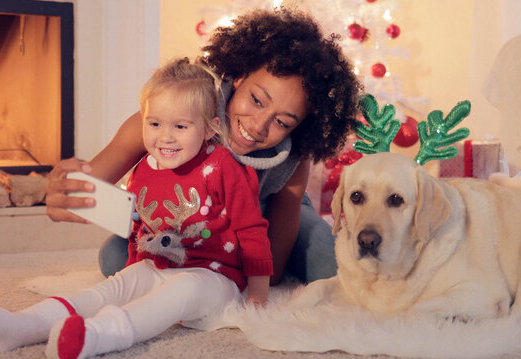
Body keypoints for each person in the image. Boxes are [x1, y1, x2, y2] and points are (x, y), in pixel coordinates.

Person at [0, 58, 273, 358]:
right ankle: (19, 327)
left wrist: (257, 295)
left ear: (208, 129)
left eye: (180, 126)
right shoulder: (143, 169)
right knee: (114, 287)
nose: (165, 136)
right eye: (154, 123)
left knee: (183, 290)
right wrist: (133, 271)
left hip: (214, 278)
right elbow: (140, 228)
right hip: (161, 265)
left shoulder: (224, 166)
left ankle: (99, 335)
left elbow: (251, 231)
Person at [45, 8, 361, 285]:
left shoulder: (291, 159)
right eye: (256, 99)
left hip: (262, 214)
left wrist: (235, 259)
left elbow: (272, 271)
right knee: (115, 259)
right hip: (195, 216)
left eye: (283, 122)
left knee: (328, 263)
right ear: (239, 76)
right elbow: (87, 186)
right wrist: (67, 191)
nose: (258, 125)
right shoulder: (179, 111)